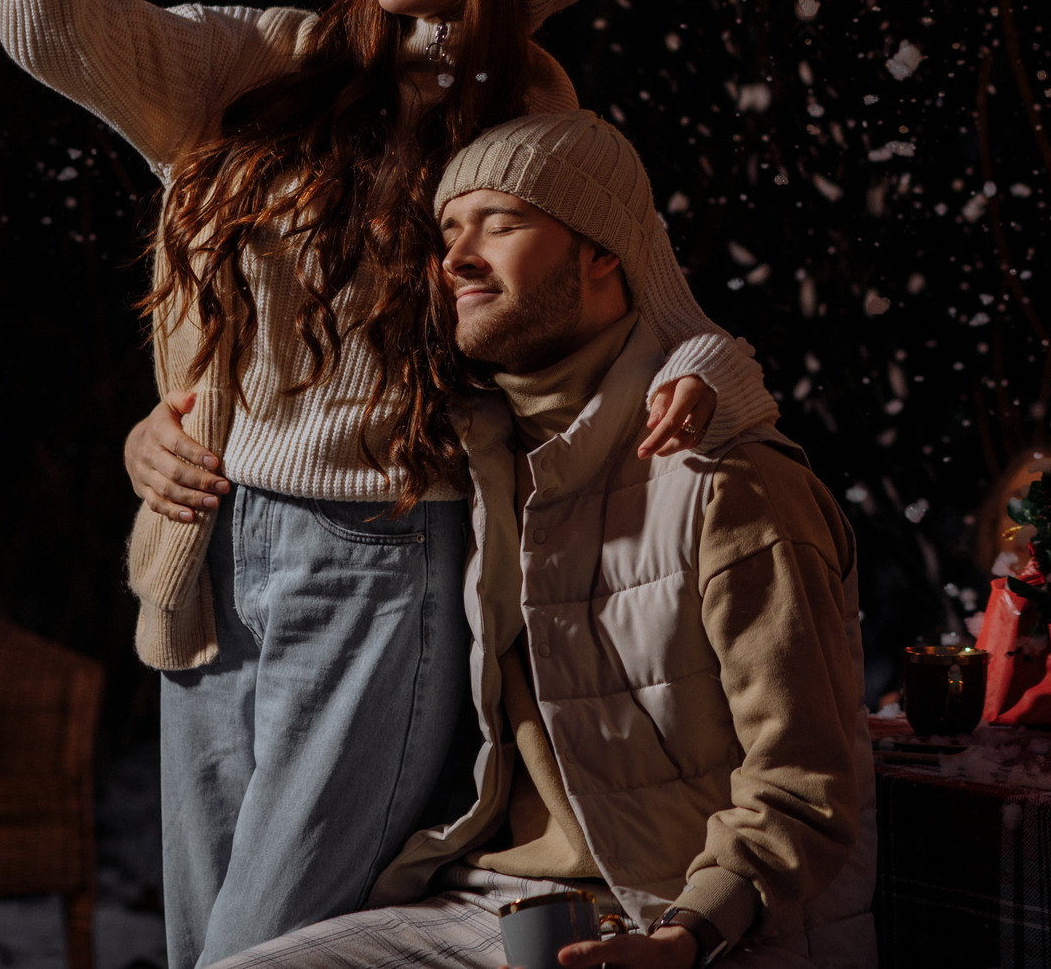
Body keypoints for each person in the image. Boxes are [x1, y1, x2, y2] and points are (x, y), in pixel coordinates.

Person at [0, 0, 782, 969]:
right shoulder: (266, 66)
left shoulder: (541, 153)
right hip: (210, 553)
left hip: (383, 572)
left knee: (264, 953)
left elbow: (688, 331)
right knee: (208, 943)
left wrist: (700, 386)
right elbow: (57, 29)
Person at [215, 109, 874, 969]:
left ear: (604, 249)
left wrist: (688, 931)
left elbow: (804, 779)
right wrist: (158, 428)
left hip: (694, 929)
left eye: (504, 220)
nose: (456, 257)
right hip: (505, 905)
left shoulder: (731, 483)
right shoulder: (478, 459)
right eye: (449, 229)